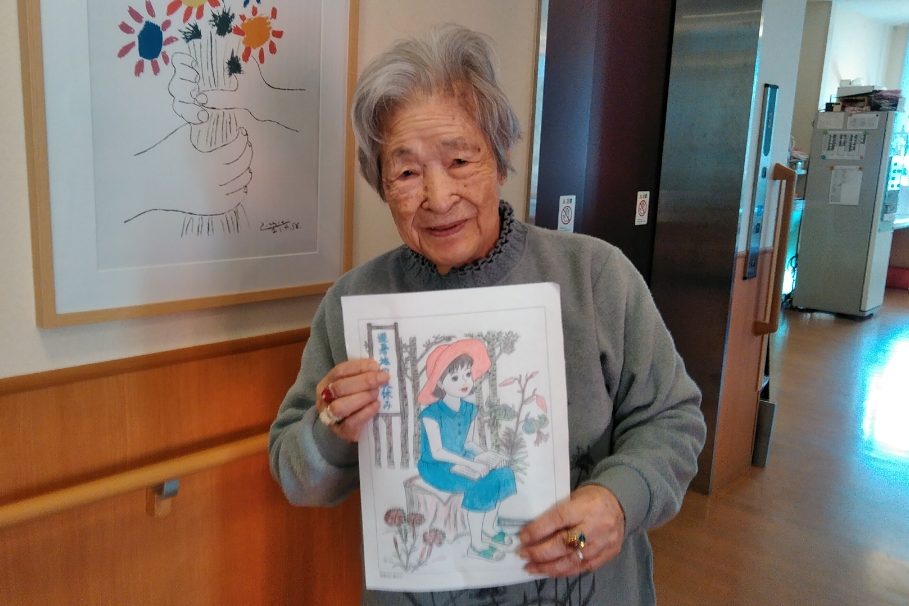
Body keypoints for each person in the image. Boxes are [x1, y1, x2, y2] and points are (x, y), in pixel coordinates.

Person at [269, 24, 706, 605]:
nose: (438, 196)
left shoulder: (595, 275)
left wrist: (618, 501)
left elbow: (673, 420)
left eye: (459, 159)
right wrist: (330, 426)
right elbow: (295, 475)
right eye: (406, 172)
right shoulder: (354, 304)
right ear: (382, 185)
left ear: (500, 160)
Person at [415, 339, 517, 562]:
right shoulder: (431, 414)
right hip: (437, 467)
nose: (464, 382)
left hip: (462, 458)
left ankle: (489, 527)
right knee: (479, 483)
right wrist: (472, 464)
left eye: (467, 374)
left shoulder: (469, 409)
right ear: (440, 383)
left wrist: (486, 456)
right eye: (454, 378)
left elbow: (468, 443)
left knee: (503, 473)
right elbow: (438, 452)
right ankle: (476, 544)